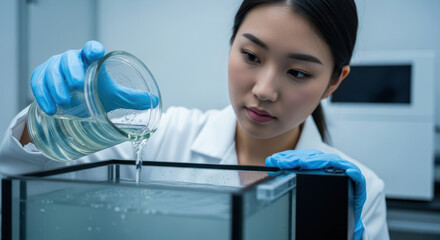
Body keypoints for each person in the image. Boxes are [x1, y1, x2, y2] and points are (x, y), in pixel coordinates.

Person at [0, 0, 389, 239]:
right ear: (232, 44)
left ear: (334, 82)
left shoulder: (357, 189)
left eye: (299, 73)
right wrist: (49, 120)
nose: (265, 90)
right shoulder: (162, 136)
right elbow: (21, 185)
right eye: (251, 56)